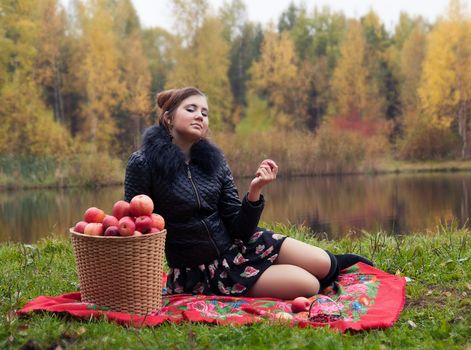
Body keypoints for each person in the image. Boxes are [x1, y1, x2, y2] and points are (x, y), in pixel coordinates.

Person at [124, 87, 373, 299]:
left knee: (325, 264)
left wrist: (255, 191)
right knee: (309, 285)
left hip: (240, 245)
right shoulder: (144, 163)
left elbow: (239, 227)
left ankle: (329, 265)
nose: (200, 116)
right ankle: (300, 274)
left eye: (205, 112)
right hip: (206, 269)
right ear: (168, 118)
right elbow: (134, 228)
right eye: (191, 109)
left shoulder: (215, 161)